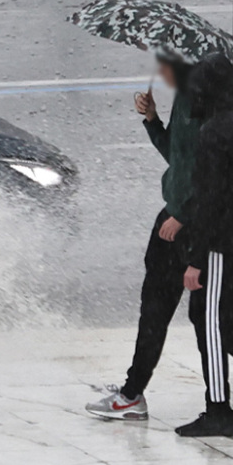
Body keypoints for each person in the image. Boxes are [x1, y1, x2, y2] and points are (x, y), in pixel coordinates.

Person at [87, 56, 199, 421]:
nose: (158, 73)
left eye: (164, 65)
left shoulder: (202, 106)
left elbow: (209, 172)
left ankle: (133, 393)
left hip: (185, 224)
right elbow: (176, 157)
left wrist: (181, 215)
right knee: (158, 308)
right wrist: (152, 120)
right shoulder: (186, 100)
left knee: (163, 310)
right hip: (174, 217)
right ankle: (133, 388)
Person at [176, 53, 233, 437]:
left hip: (222, 245)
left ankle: (218, 409)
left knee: (209, 320)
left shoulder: (214, 133)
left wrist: (196, 259)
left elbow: (211, 198)